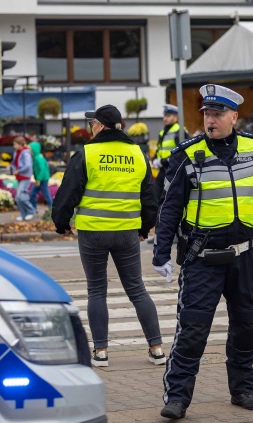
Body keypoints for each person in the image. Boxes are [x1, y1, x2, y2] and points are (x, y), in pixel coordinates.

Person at [151, 84, 253, 420]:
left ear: (233, 117)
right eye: (206, 114)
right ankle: (177, 398)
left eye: (216, 114)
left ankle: (243, 389)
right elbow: (169, 208)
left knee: (245, 324)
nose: (210, 120)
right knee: (193, 328)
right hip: (202, 258)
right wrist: (161, 252)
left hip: (247, 256)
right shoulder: (188, 155)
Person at [51, 104, 164, 367]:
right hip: (126, 233)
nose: (91, 128)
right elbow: (150, 197)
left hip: (93, 233)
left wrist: (61, 224)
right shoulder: (137, 153)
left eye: (92, 124)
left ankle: (101, 352)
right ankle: (156, 348)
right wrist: (144, 228)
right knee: (137, 289)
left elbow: (68, 192)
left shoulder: (87, 153)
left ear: (100, 125)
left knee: (97, 290)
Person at [12, 136, 36, 221]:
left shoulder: (26, 153)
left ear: (20, 144)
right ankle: (23, 214)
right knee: (18, 197)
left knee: (20, 196)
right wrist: (14, 169)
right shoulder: (16, 152)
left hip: (25, 176)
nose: (14, 146)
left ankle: (31, 211)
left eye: (15, 144)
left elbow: (28, 165)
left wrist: (19, 171)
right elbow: (14, 163)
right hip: (19, 176)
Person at [29, 140, 53, 211]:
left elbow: (42, 170)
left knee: (46, 195)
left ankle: (51, 209)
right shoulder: (37, 157)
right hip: (40, 179)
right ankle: (34, 208)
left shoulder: (38, 159)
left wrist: (38, 179)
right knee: (33, 193)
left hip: (42, 179)